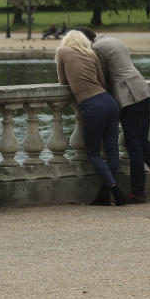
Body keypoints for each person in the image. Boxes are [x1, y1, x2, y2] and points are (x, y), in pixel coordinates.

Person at [75, 27, 150, 204]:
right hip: (142, 90)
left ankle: (141, 191)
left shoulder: (97, 49)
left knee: (134, 144)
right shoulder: (113, 41)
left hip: (128, 97)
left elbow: (100, 78)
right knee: (141, 142)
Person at [54, 30, 126, 206]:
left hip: (92, 105)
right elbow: (101, 81)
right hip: (109, 102)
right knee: (112, 150)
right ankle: (106, 193)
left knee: (93, 153)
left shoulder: (62, 52)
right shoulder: (91, 53)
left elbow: (63, 81)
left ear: (67, 40)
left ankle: (115, 189)